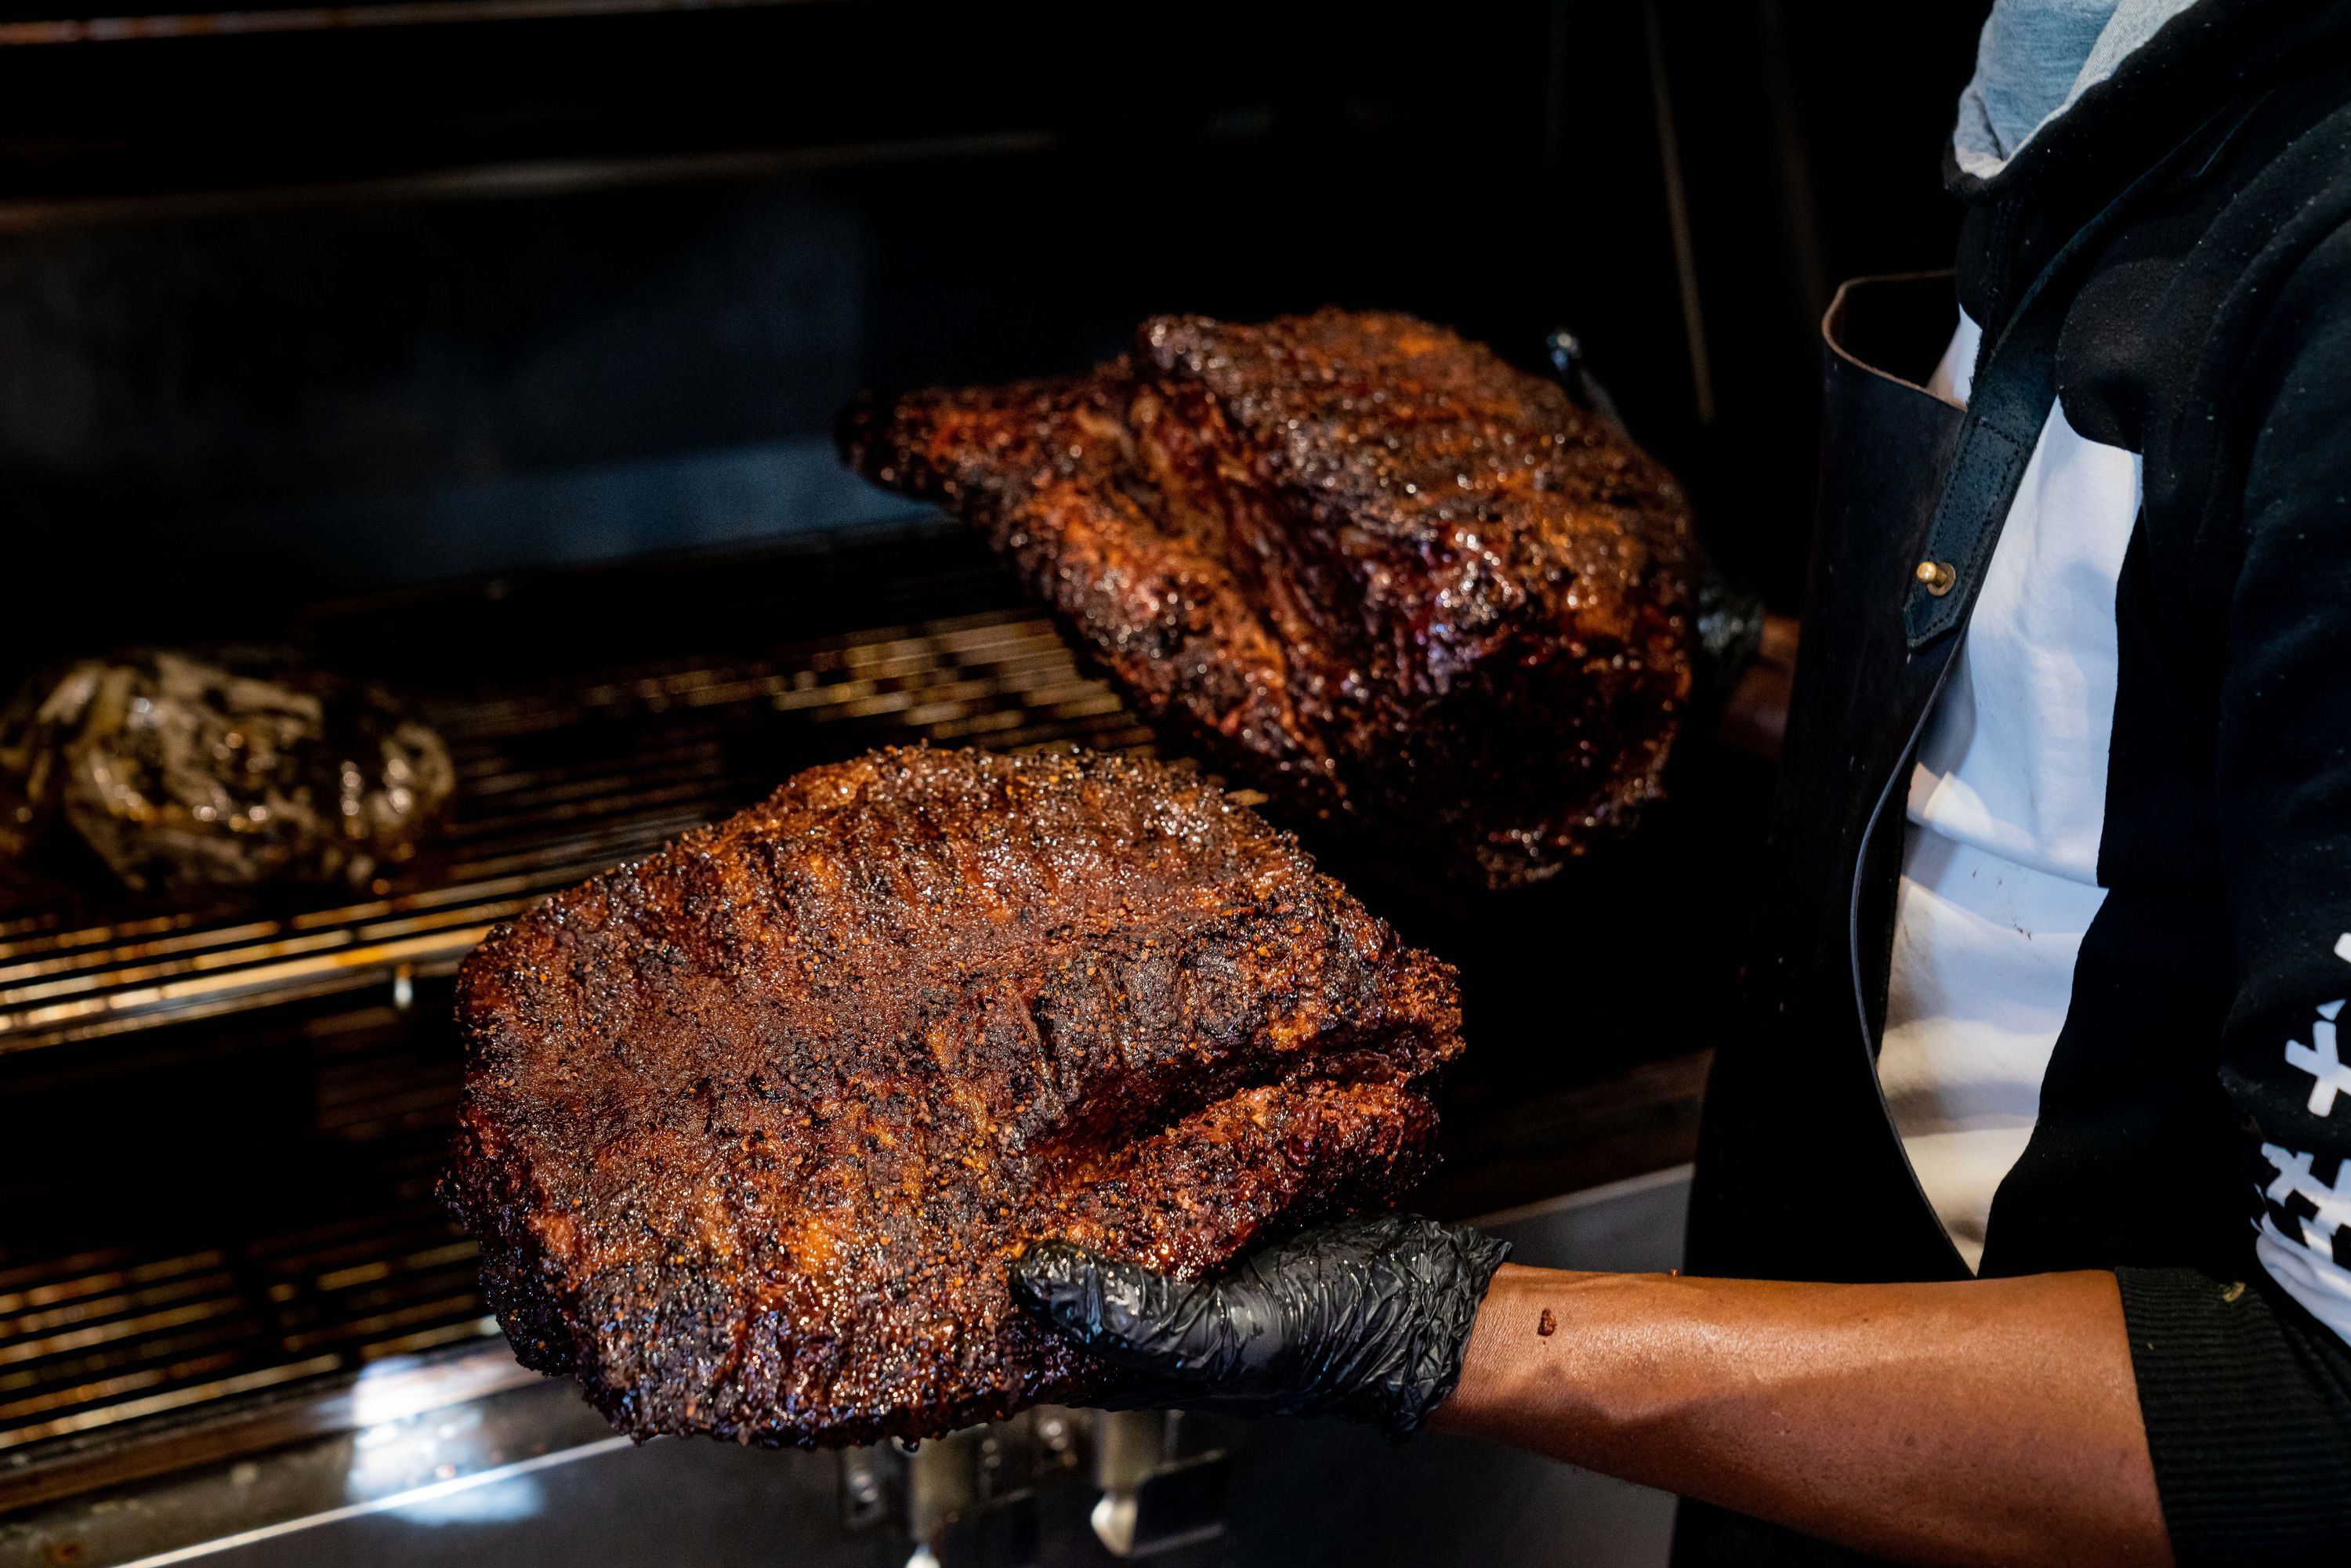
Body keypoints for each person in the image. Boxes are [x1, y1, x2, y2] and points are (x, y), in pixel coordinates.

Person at [1006, 2, 2351, 1562]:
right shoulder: (2085, 69)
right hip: (1815, 1463)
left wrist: (1455, 1334)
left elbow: (2323, 1419)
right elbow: (2113, 737)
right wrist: (1700, 662)